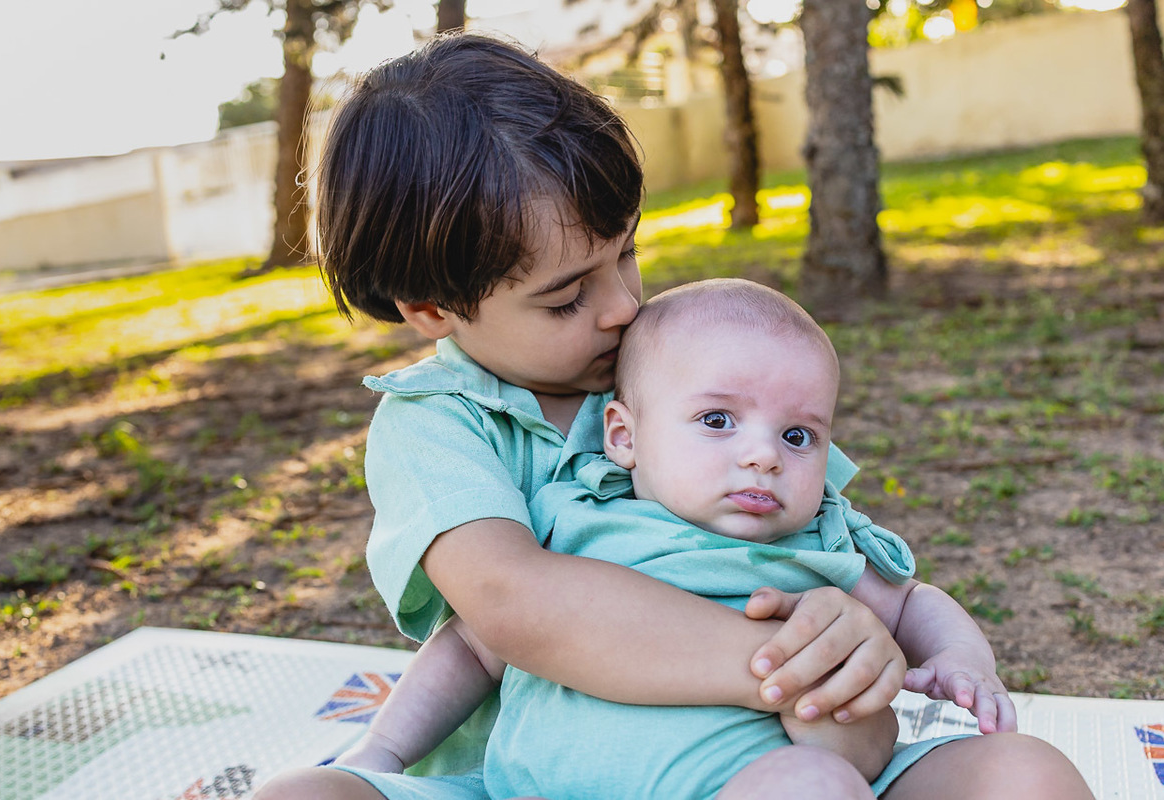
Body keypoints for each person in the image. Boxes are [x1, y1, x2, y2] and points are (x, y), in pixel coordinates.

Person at [257, 33, 1093, 800]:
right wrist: (798, 664)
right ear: (433, 308)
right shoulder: (437, 424)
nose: (622, 306)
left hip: (763, 764)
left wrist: (892, 648)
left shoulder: (683, 364)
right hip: (537, 777)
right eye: (566, 298)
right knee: (301, 796)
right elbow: (509, 608)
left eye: (626, 252)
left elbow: (842, 548)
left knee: (1022, 776)